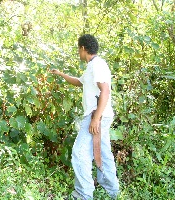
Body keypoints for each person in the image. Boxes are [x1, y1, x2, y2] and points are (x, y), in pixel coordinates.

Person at [51, 34, 119, 200]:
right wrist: (60, 74)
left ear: (83, 48)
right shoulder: (93, 66)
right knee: (102, 152)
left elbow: (105, 91)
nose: (78, 52)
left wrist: (95, 119)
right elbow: (78, 82)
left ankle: (83, 195)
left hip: (96, 116)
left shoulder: (97, 65)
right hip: (100, 115)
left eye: (78, 49)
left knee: (80, 153)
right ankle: (112, 191)